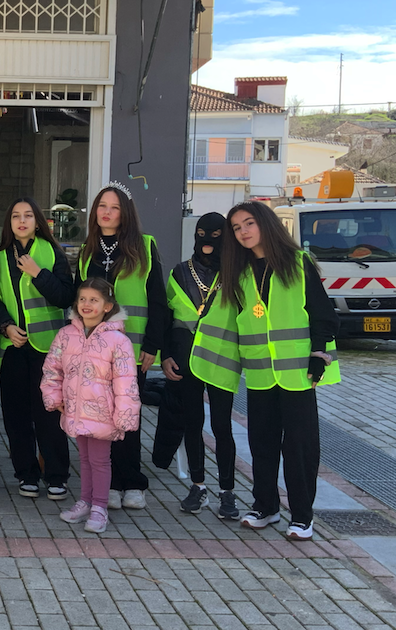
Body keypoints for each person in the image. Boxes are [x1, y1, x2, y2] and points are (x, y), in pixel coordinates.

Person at [222, 200, 340, 541]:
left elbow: (323, 315)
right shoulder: (238, 272)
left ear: (265, 225)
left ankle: (302, 516)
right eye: (236, 228)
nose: (243, 232)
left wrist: (319, 355)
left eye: (248, 224)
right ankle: (266, 507)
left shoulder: (299, 263)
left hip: (298, 374)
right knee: (262, 443)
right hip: (260, 374)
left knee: (300, 448)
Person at [75, 182, 166, 510]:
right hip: (95, 351)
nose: (107, 213)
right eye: (102, 206)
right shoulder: (88, 251)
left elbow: (158, 299)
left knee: (127, 417)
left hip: (133, 349)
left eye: (113, 207)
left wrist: (153, 345)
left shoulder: (145, 245)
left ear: (124, 213)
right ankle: (110, 482)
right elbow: (79, 301)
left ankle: (133, 482)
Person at [155, 212, 242, 519]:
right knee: (191, 424)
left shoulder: (235, 274)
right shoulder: (179, 272)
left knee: (221, 427)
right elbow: (167, 318)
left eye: (216, 235)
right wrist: (165, 354)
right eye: (202, 233)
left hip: (221, 359)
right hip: (184, 360)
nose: (207, 241)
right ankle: (198, 486)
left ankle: (228, 492)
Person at [41, 278, 141, 533]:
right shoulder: (66, 335)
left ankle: (99, 507)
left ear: (107, 306)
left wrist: (125, 415)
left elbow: (126, 382)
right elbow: (52, 368)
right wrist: (55, 399)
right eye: (83, 299)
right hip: (75, 410)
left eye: (94, 300)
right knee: (84, 458)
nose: (87, 304)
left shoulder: (118, 341)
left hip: (102, 413)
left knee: (99, 460)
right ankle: (85, 501)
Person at [0, 197, 73, 500]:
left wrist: (38, 273)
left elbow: (66, 296)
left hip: (48, 349)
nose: (22, 221)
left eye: (28, 215)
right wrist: (5, 326)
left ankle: (56, 475)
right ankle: (26, 473)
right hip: (14, 346)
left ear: (38, 221)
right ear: (9, 222)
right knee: (15, 415)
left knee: (48, 413)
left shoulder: (52, 251)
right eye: (16, 216)